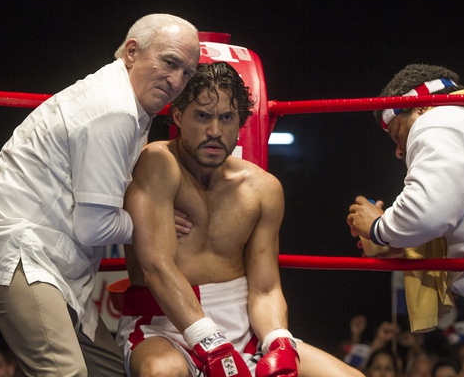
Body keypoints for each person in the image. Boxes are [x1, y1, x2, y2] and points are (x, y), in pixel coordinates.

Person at [0, 13, 200, 376]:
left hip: (55, 257)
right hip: (17, 249)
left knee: (109, 371)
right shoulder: (113, 109)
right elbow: (94, 228)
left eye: (187, 73)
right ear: (132, 52)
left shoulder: (128, 102)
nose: (177, 81)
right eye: (170, 63)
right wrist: (152, 222)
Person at [116, 61, 363, 377]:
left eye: (226, 117)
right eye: (202, 116)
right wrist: (210, 342)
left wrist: (278, 340)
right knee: (162, 372)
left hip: (243, 326)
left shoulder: (262, 189)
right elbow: (156, 268)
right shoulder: (158, 163)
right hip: (163, 324)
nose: (214, 131)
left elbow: (265, 288)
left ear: (240, 121)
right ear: (177, 117)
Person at [346, 63, 464, 376]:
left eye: (397, 134)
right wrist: (404, 246)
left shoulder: (440, 119)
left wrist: (378, 227)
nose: (399, 151)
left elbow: (428, 213)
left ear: (419, 108)